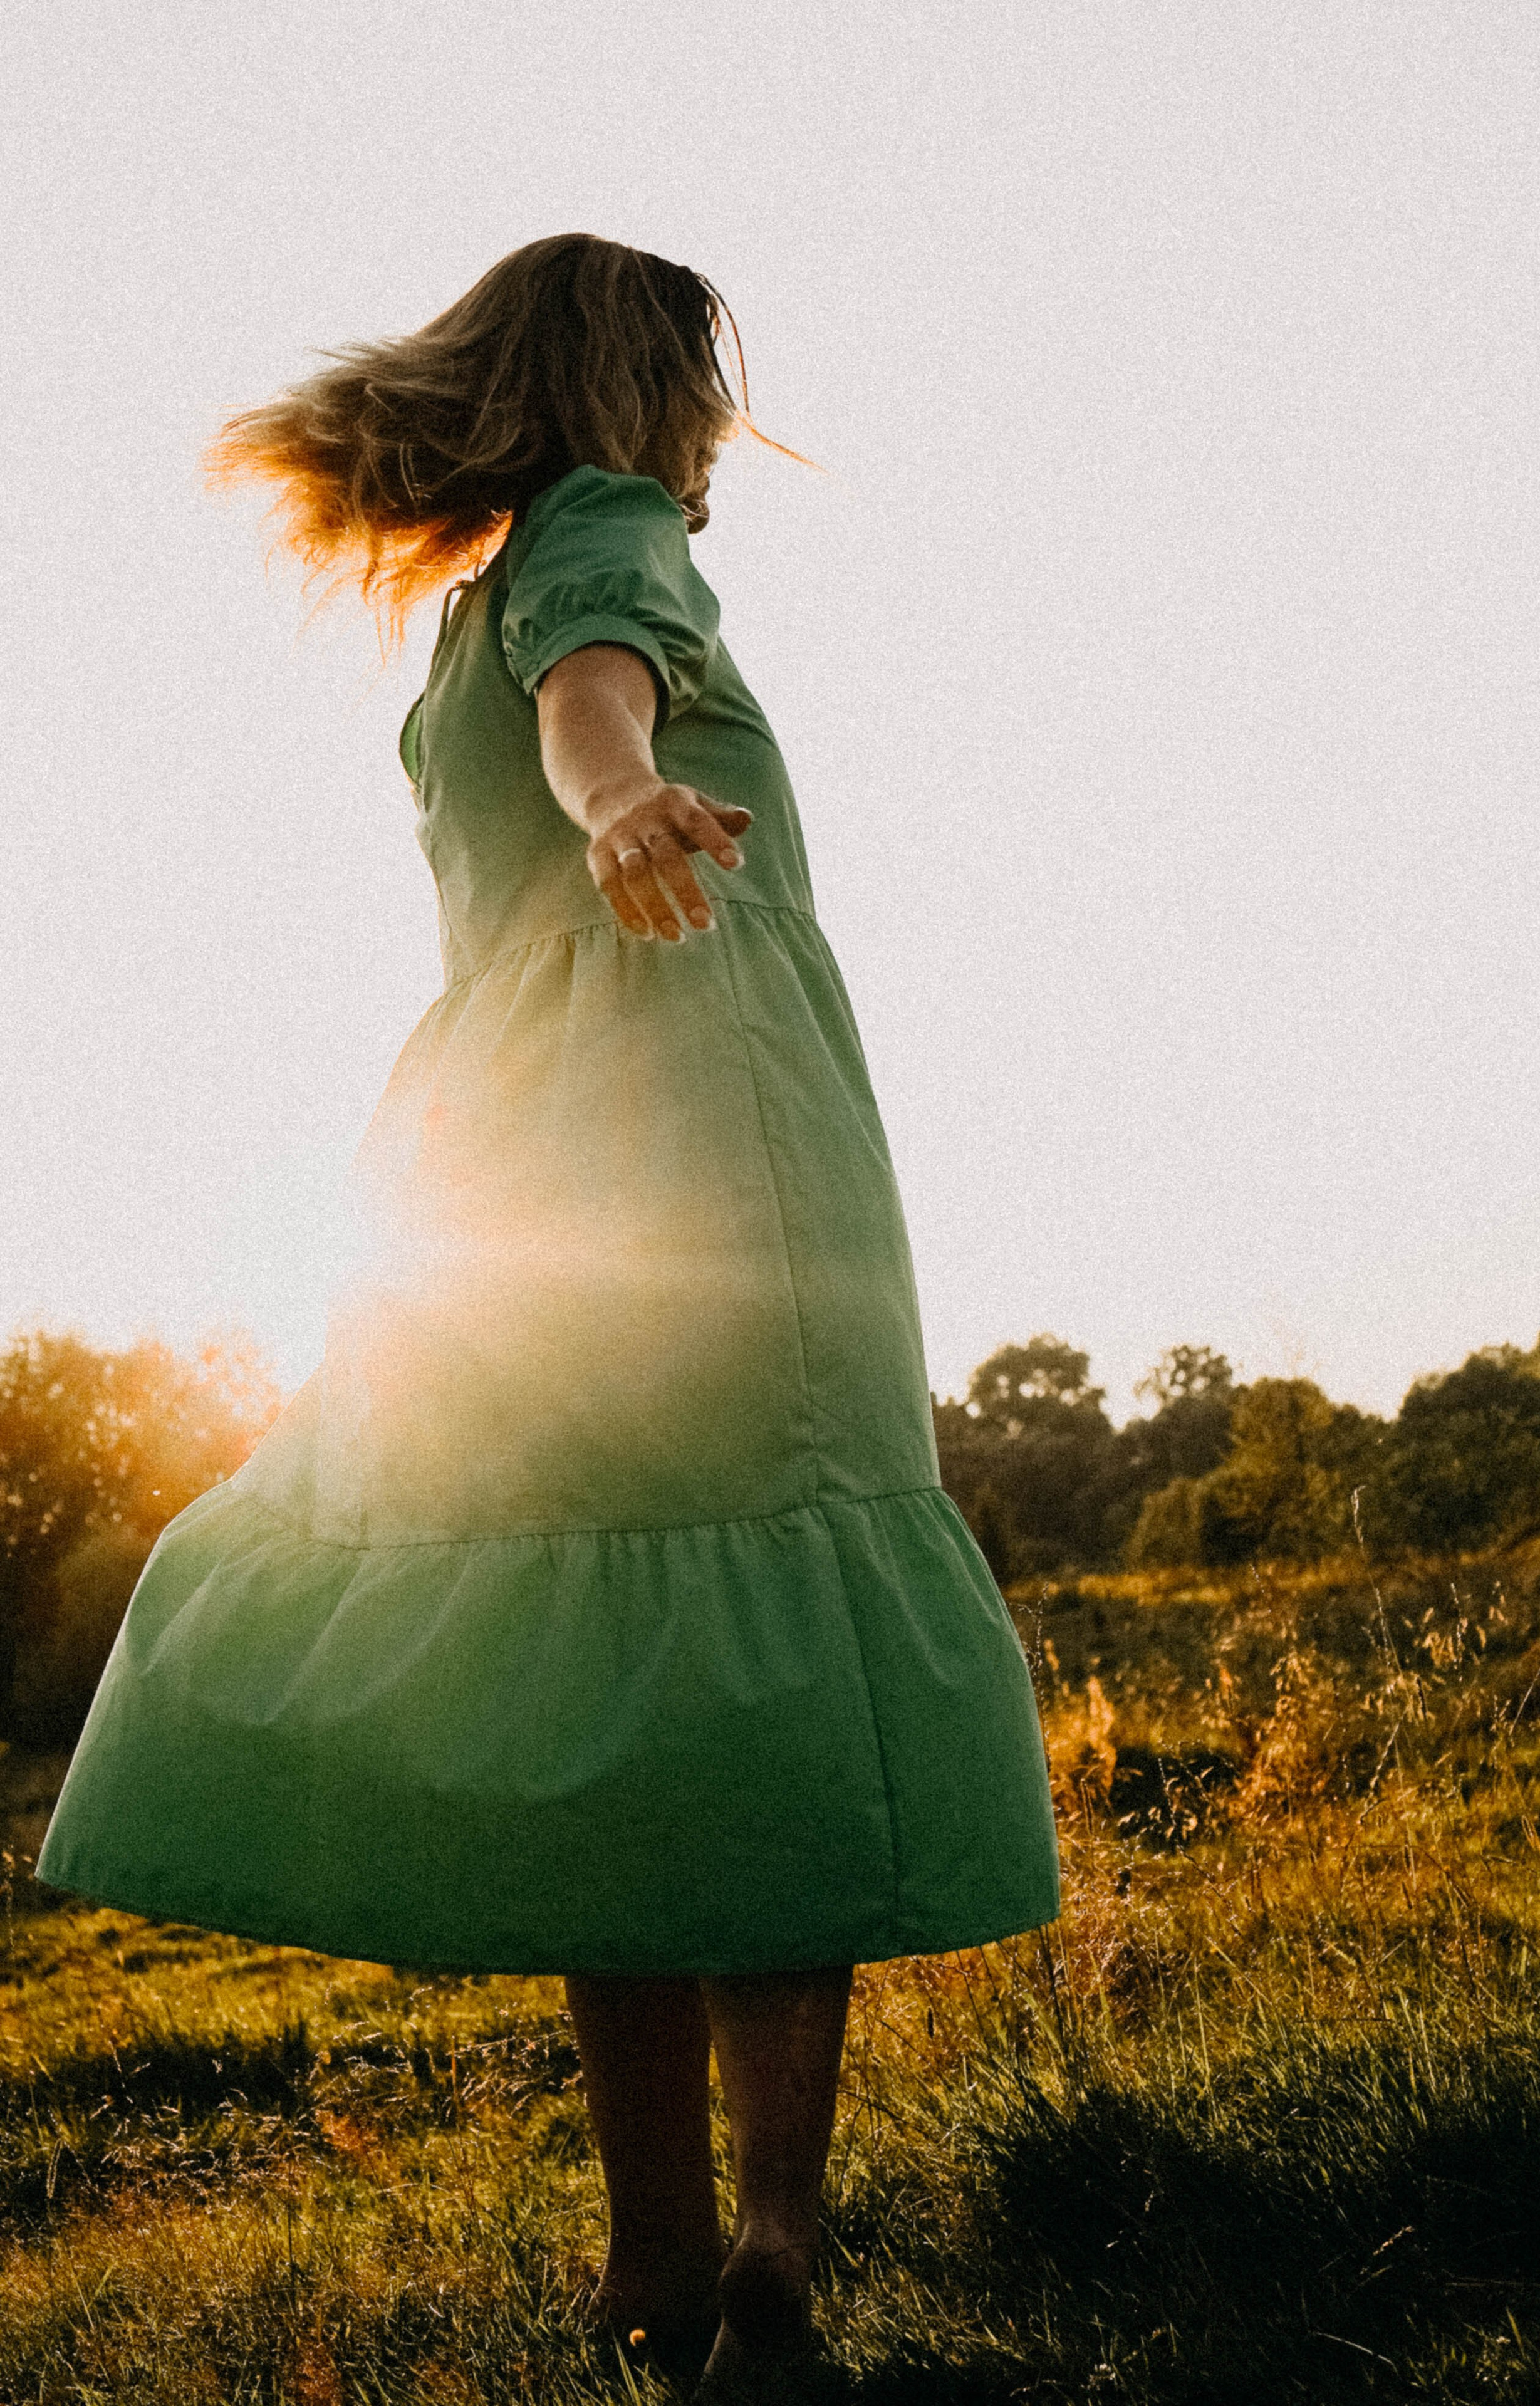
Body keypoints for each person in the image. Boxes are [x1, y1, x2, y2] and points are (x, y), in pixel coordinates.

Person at [37, 234, 1060, 2397]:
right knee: (783, 1643)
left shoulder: (460, 610)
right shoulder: (604, 540)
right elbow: (604, 703)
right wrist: (621, 807)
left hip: (515, 1153)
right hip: (719, 1128)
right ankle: (775, 2233)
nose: (712, 440)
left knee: (612, 1661)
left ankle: (659, 2259)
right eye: (705, 391)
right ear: (647, 390)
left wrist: (595, 811)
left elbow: (556, 692)